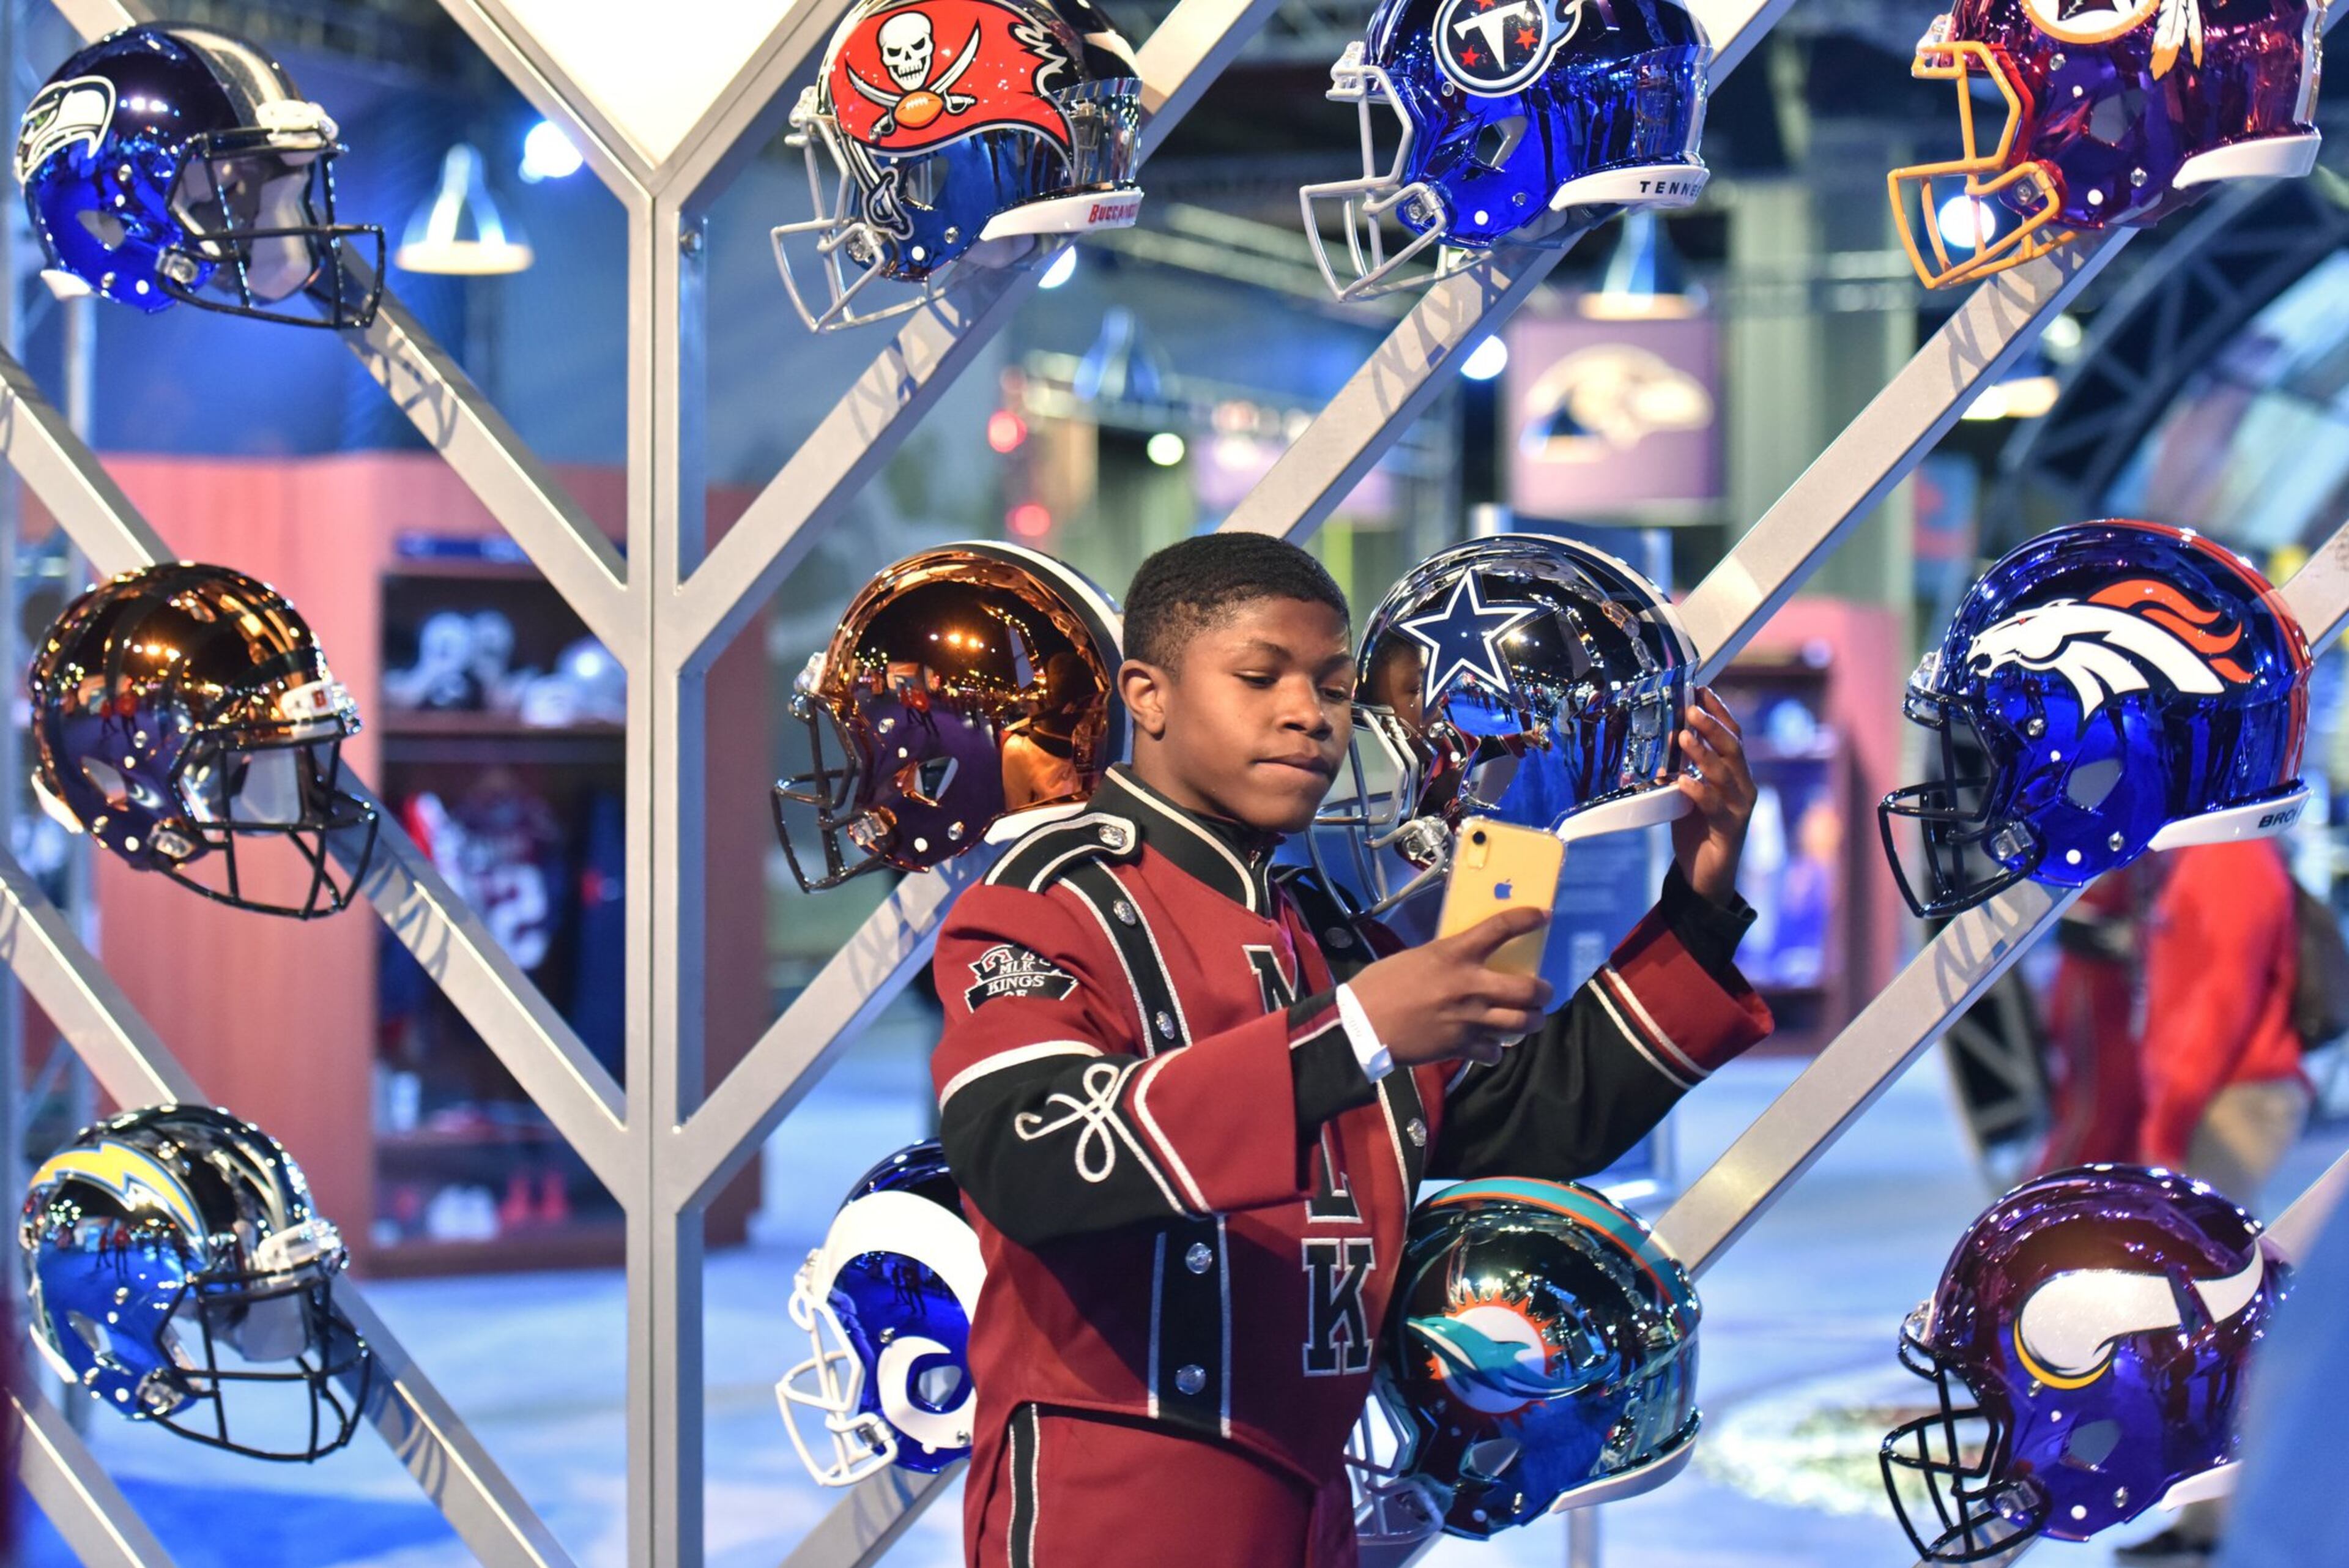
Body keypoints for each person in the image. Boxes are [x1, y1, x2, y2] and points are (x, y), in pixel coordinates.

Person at [930, 533, 1773, 1566]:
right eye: (1260, 676)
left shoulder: (1323, 930)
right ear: (1147, 695)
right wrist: (1358, 1027)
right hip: (1116, 1499)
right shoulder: (1047, 897)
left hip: (1316, 1500)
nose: (1309, 713)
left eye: (1334, 687)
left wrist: (1699, 902)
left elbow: (1531, 1118)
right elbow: (1028, 1154)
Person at [2120, 838, 2311, 1568]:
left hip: (2226, 1101)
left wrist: (2168, 1127)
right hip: (2221, 1098)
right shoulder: (2213, 856)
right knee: (2208, 1322)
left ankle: (2218, 1518)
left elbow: (2214, 1002)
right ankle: (2206, 1516)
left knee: (2213, 1325)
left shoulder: (2229, 858)